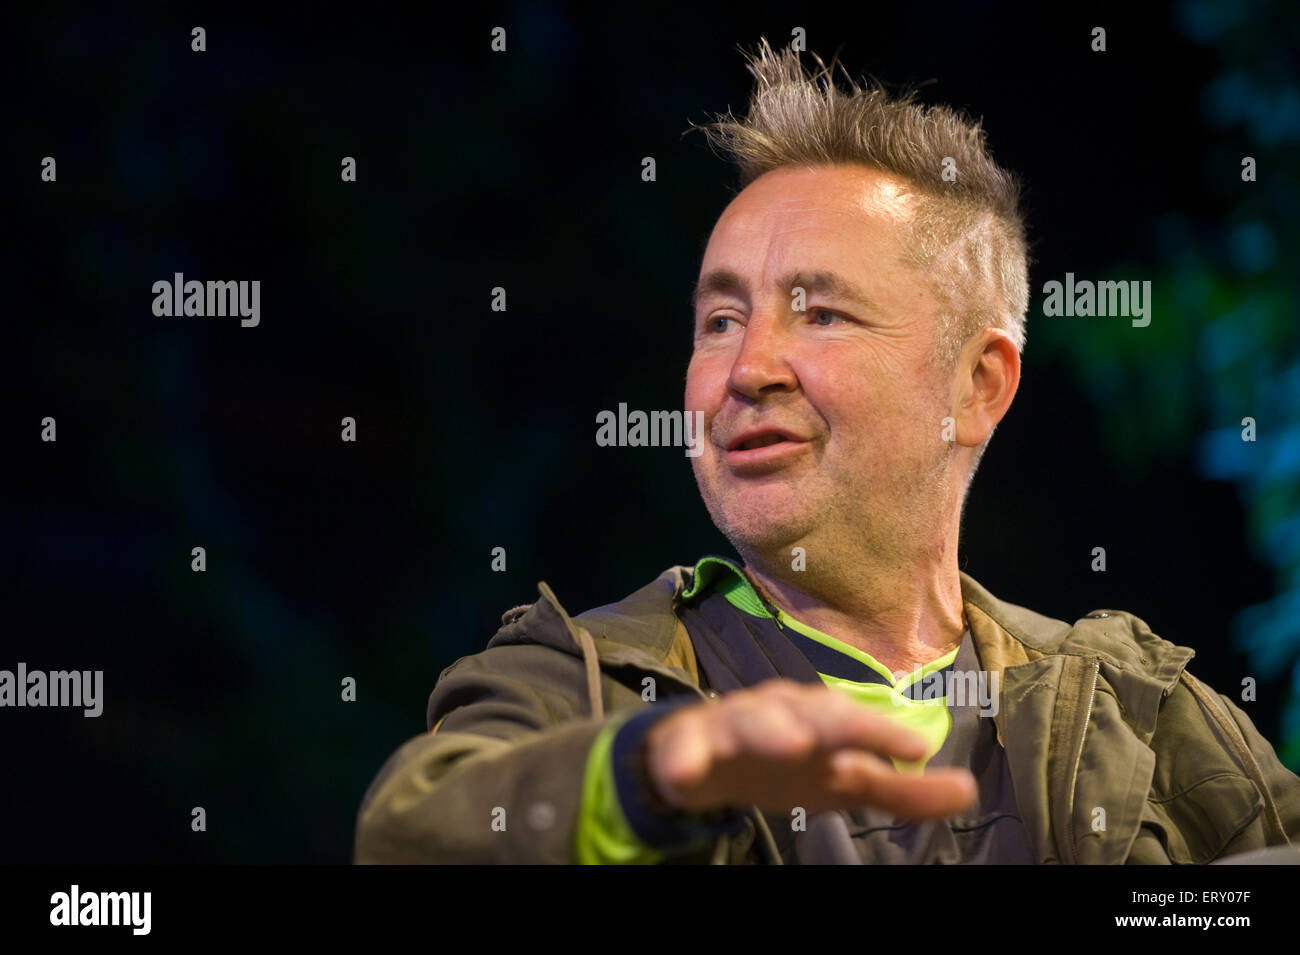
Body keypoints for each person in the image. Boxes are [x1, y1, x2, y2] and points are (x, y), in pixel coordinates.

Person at [353, 37, 1300, 864]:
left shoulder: (1146, 715)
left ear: (978, 387)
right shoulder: (584, 679)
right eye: (720, 319)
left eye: (822, 313)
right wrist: (652, 775)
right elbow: (408, 835)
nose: (747, 366)